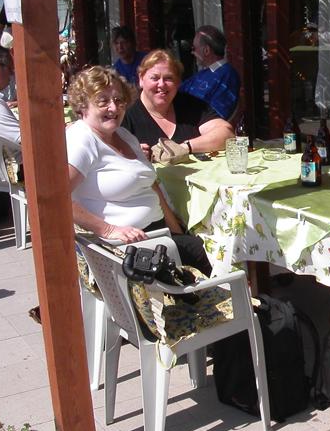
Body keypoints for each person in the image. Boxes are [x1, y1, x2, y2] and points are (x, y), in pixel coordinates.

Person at [65, 65, 211, 273]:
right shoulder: (82, 139)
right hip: (131, 252)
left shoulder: (124, 135)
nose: (114, 108)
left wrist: (176, 232)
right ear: (83, 106)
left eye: (118, 100)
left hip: (158, 235)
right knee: (217, 259)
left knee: (213, 245)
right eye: (103, 101)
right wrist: (108, 230)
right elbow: (56, 197)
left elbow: (150, 187)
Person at [121, 49, 233, 160]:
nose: (161, 84)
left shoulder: (190, 105)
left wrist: (184, 147)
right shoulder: (125, 114)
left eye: (168, 78)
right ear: (141, 79)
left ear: (178, 82)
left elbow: (226, 134)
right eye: (154, 78)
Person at [179, 26, 241, 120]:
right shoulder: (203, 74)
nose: (192, 52)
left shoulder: (228, 76)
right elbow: (177, 92)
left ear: (206, 50)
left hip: (199, 130)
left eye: (194, 48)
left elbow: (217, 115)